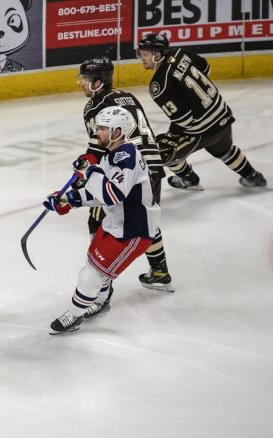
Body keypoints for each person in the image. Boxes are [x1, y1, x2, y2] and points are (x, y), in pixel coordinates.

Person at [43, 107, 160, 334]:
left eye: (103, 128)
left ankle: (74, 315)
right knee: (95, 264)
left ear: (117, 132)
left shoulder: (126, 156)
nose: (98, 132)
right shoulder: (112, 155)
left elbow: (112, 194)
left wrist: (89, 171)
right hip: (117, 224)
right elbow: (101, 194)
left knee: (91, 274)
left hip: (134, 231)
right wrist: (68, 199)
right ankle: (100, 301)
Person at [76, 56, 173, 297]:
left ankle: (100, 284)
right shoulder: (126, 96)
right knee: (144, 220)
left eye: (86, 79)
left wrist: (84, 174)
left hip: (128, 168)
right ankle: (160, 273)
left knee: (98, 220)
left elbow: (97, 150)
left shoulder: (95, 107)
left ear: (98, 83)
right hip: (151, 165)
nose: (81, 83)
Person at [136, 33, 267, 190]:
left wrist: (171, 136)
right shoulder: (180, 53)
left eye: (144, 54)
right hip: (222, 115)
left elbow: (184, 120)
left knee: (163, 151)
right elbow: (206, 67)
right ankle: (253, 176)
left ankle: (189, 180)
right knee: (224, 150)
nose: (142, 58)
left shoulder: (159, 84)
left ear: (157, 55)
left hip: (204, 131)